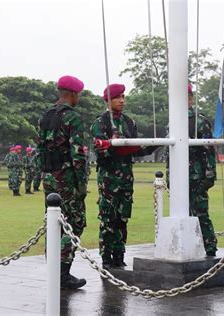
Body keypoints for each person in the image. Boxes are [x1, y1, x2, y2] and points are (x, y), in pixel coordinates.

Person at [92, 83, 157, 269]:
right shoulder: (101, 123)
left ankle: (119, 255)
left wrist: (153, 145)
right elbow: (101, 150)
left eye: (123, 97)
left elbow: (136, 150)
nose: (122, 100)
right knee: (108, 218)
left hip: (126, 178)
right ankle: (106, 257)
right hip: (109, 179)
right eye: (118, 97)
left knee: (123, 218)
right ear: (108, 100)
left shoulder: (129, 122)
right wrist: (114, 145)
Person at [37, 75, 88, 289]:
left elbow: (40, 149)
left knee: (53, 222)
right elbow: (78, 154)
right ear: (73, 94)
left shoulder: (45, 116)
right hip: (66, 178)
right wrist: (81, 184)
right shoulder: (72, 118)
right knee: (73, 223)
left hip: (48, 175)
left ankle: (54, 270)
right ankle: (62, 273)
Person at [186, 84, 218, 256]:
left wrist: (210, 175)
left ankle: (209, 246)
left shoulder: (199, 121)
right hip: (178, 176)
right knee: (182, 213)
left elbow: (209, 149)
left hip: (196, 176)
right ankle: (189, 246)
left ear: (190, 98)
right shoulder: (173, 121)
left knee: (200, 212)